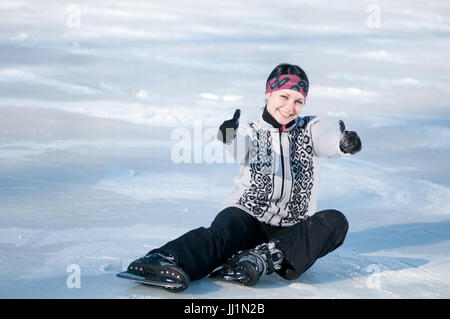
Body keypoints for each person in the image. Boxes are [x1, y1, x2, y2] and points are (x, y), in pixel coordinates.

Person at [121, 63, 362, 292]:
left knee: (335, 221)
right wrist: (228, 134)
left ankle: (261, 259)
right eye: (284, 97)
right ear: (269, 94)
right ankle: (165, 259)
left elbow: (327, 141)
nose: (290, 107)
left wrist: (341, 143)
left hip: (289, 230)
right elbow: (239, 146)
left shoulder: (311, 127)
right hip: (247, 215)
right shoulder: (251, 130)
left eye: (298, 101)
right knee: (220, 237)